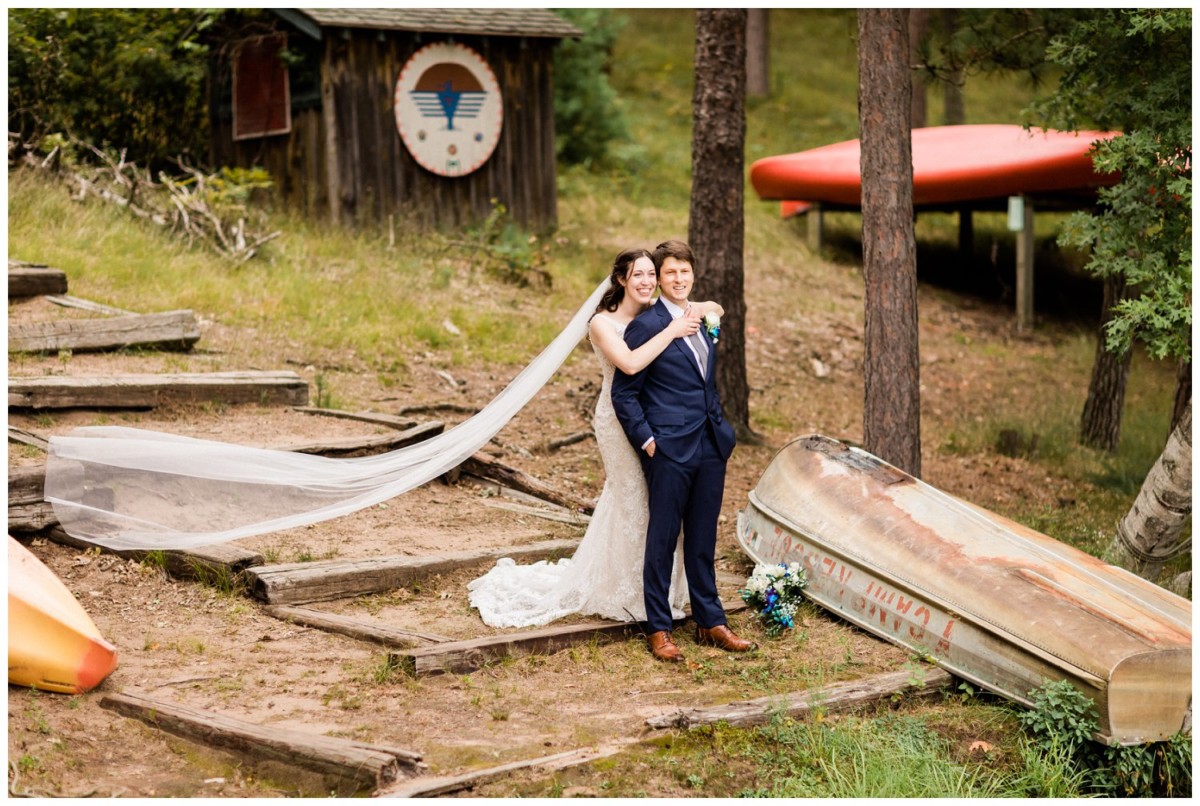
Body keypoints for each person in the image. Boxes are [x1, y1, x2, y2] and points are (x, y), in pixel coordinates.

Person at [467, 248, 724, 627]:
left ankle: (666, 593)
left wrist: (701, 310)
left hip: (668, 424)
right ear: (620, 279)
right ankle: (633, 597)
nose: (647, 282)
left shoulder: (656, 309)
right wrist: (672, 330)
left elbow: (707, 302)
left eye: (652, 274)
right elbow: (631, 366)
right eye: (638, 275)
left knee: (653, 509)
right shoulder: (604, 323)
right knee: (636, 505)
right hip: (621, 424)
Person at [611, 239, 755, 662]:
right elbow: (625, 393)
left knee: (703, 537)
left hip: (711, 443)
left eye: (684, 271)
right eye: (669, 272)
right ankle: (659, 629)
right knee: (662, 538)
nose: (678, 278)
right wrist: (648, 439)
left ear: (694, 274)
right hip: (669, 448)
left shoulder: (704, 317)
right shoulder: (647, 323)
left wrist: (721, 428)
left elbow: (704, 378)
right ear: (659, 278)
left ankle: (711, 621)